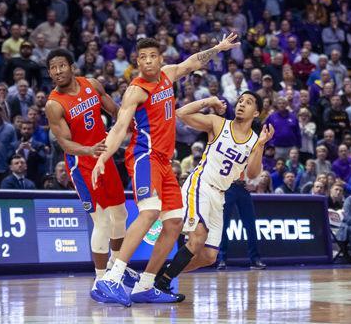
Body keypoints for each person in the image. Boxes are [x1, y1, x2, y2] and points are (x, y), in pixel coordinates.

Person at [93, 34, 239, 306]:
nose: (148, 61)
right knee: (149, 212)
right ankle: (111, 279)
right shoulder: (135, 90)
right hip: (143, 156)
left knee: (173, 223)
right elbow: (120, 126)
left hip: (164, 162)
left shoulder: (168, 75)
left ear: (160, 59)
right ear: (137, 62)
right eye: (142, 58)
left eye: (152, 56)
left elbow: (192, 62)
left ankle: (145, 285)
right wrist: (103, 157)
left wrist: (218, 49)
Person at [153, 92, 273, 297]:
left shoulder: (255, 141)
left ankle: (157, 276)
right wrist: (209, 101)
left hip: (220, 195)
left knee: (209, 256)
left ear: (257, 113)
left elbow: (252, 174)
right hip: (200, 184)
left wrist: (261, 144)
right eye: (241, 101)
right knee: (198, 237)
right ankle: (161, 283)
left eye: (249, 102)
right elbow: (181, 113)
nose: (242, 104)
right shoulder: (218, 124)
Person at [45, 48, 133, 303]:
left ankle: (117, 269)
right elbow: (65, 143)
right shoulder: (54, 104)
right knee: (103, 221)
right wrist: (89, 150)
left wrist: (128, 124)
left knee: (121, 214)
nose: (58, 71)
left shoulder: (92, 84)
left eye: (61, 65)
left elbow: (116, 111)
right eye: (53, 68)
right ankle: (100, 279)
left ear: (72, 66)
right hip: (81, 164)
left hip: (104, 156)